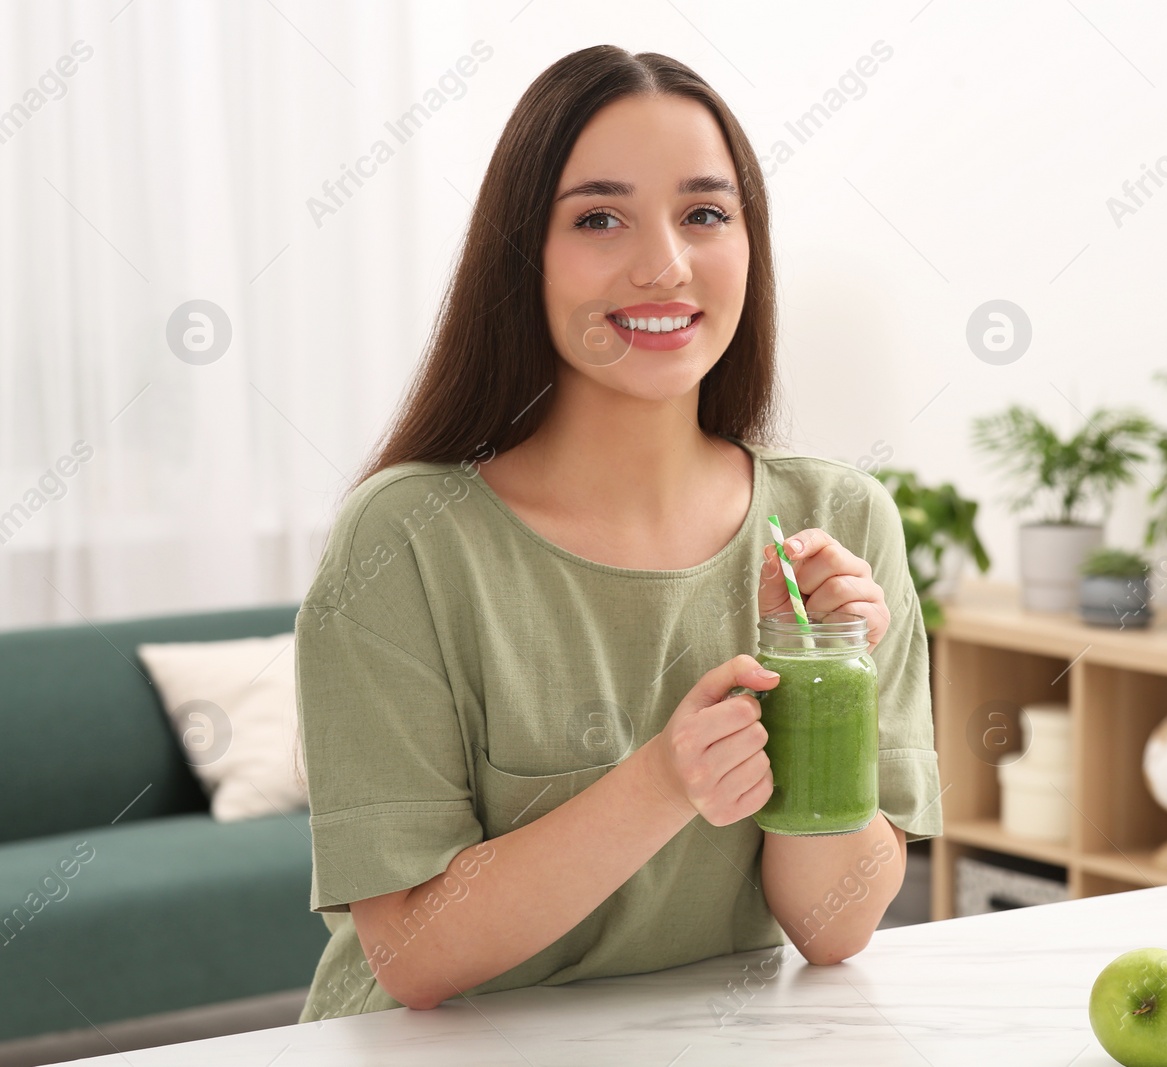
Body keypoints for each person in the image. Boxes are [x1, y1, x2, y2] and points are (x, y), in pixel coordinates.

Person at [292, 44, 943, 1022]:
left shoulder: (838, 521)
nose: (663, 265)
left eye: (704, 214)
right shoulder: (405, 539)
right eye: (599, 217)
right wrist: (666, 779)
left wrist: (821, 675)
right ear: (522, 255)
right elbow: (414, 956)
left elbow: (833, 927)